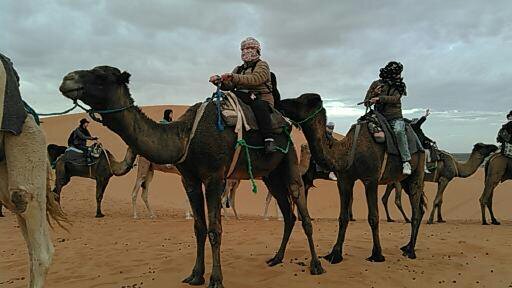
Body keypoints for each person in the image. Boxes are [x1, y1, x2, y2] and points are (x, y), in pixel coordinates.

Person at [209, 37, 276, 153]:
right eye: (244, 48)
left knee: (259, 106)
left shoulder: (262, 65)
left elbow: (256, 79)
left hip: (261, 98)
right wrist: (219, 81)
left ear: (257, 50)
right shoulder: (238, 69)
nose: (247, 51)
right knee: (223, 99)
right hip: (242, 96)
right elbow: (230, 85)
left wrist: (233, 77)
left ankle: (268, 139)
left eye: (250, 48)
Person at [365, 61, 412, 175]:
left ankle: (406, 161)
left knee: (399, 131)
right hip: (377, 117)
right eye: (397, 73)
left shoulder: (400, 86)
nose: (399, 76)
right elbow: (366, 103)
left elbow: (395, 99)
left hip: (394, 118)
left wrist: (379, 98)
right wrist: (373, 94)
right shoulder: (376, 84)